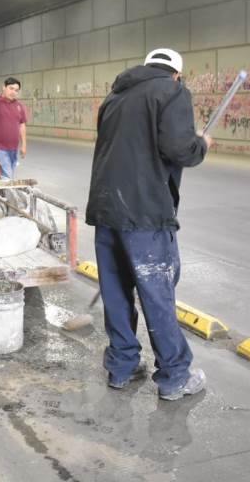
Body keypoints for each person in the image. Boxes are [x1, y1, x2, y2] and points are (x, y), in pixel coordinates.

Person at [85, 48, 212, 401]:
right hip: (144, 214)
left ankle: (122, 367)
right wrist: (200, 145)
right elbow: (178, 149)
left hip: (107, 209)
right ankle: (174, 376)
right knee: (157, 294)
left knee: (116, 291)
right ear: (176, 74)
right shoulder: (172, 92)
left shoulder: (114, 97)